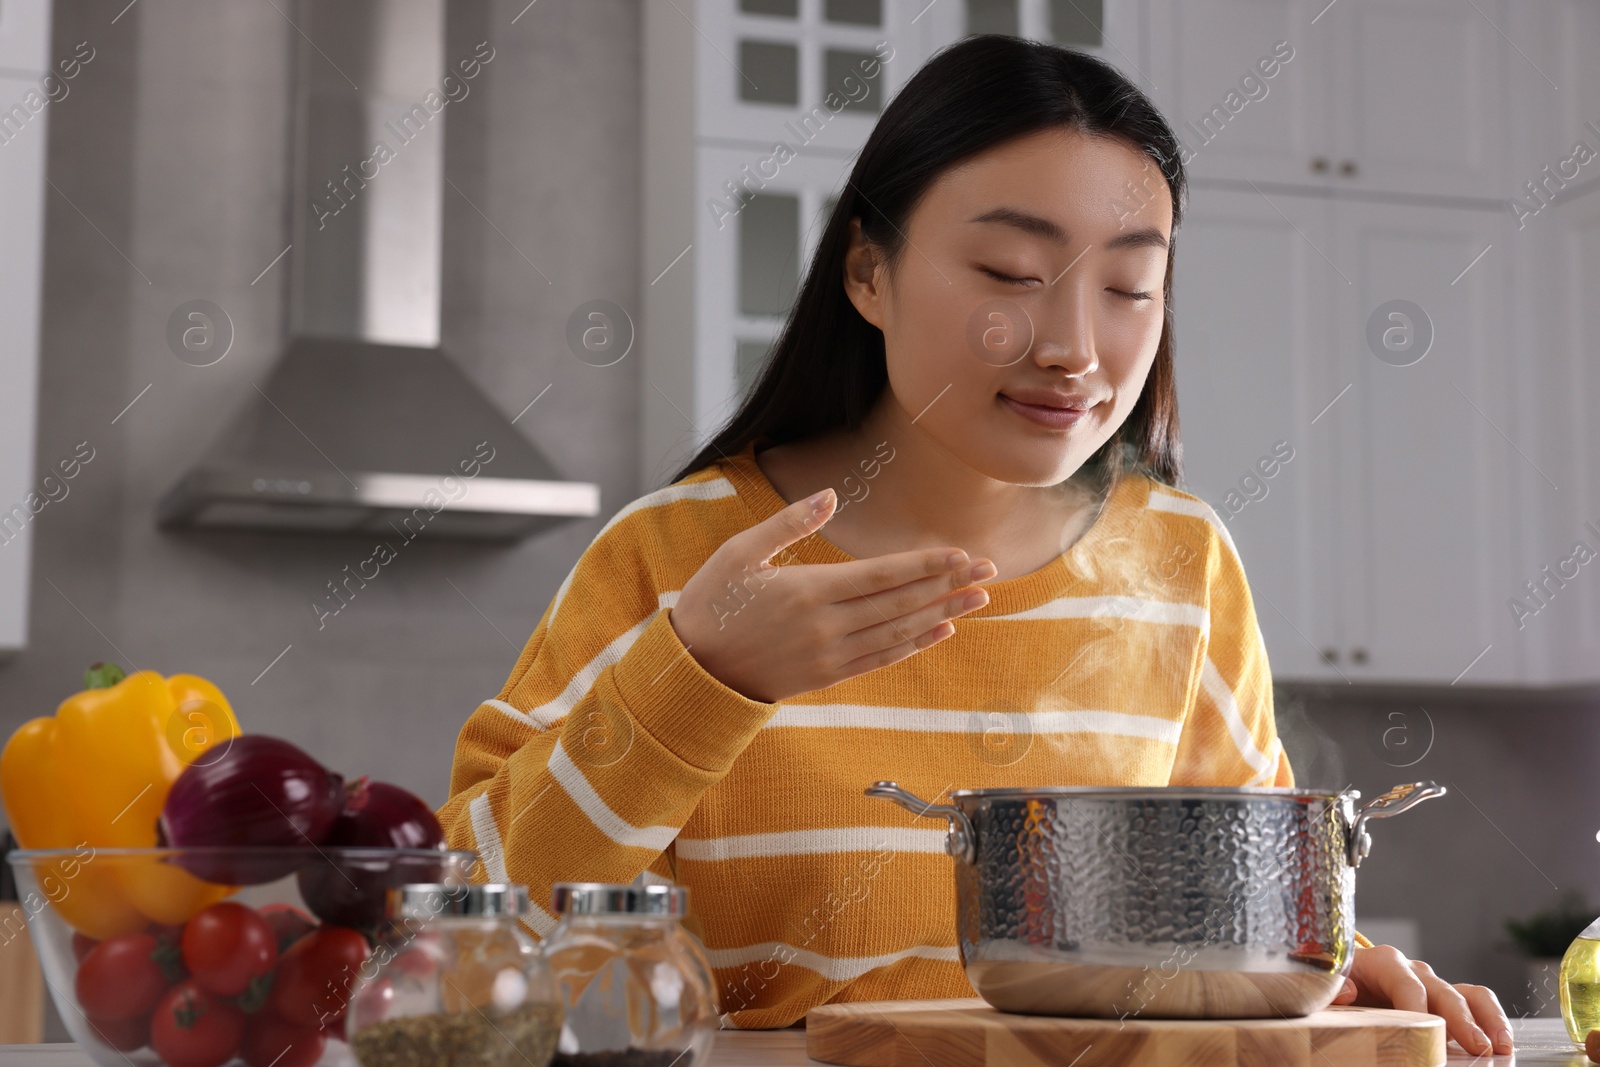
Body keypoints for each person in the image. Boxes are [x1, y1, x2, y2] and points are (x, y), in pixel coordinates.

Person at [439, 33, 1512, 1055]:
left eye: (1130, 287)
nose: (1074, 348)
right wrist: (700, 679)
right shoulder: (681, 558)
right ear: (867, 274)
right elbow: (462, 934)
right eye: (1008, 273)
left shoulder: (1181, 562)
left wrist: (1339, 964)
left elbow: (1228, 915)